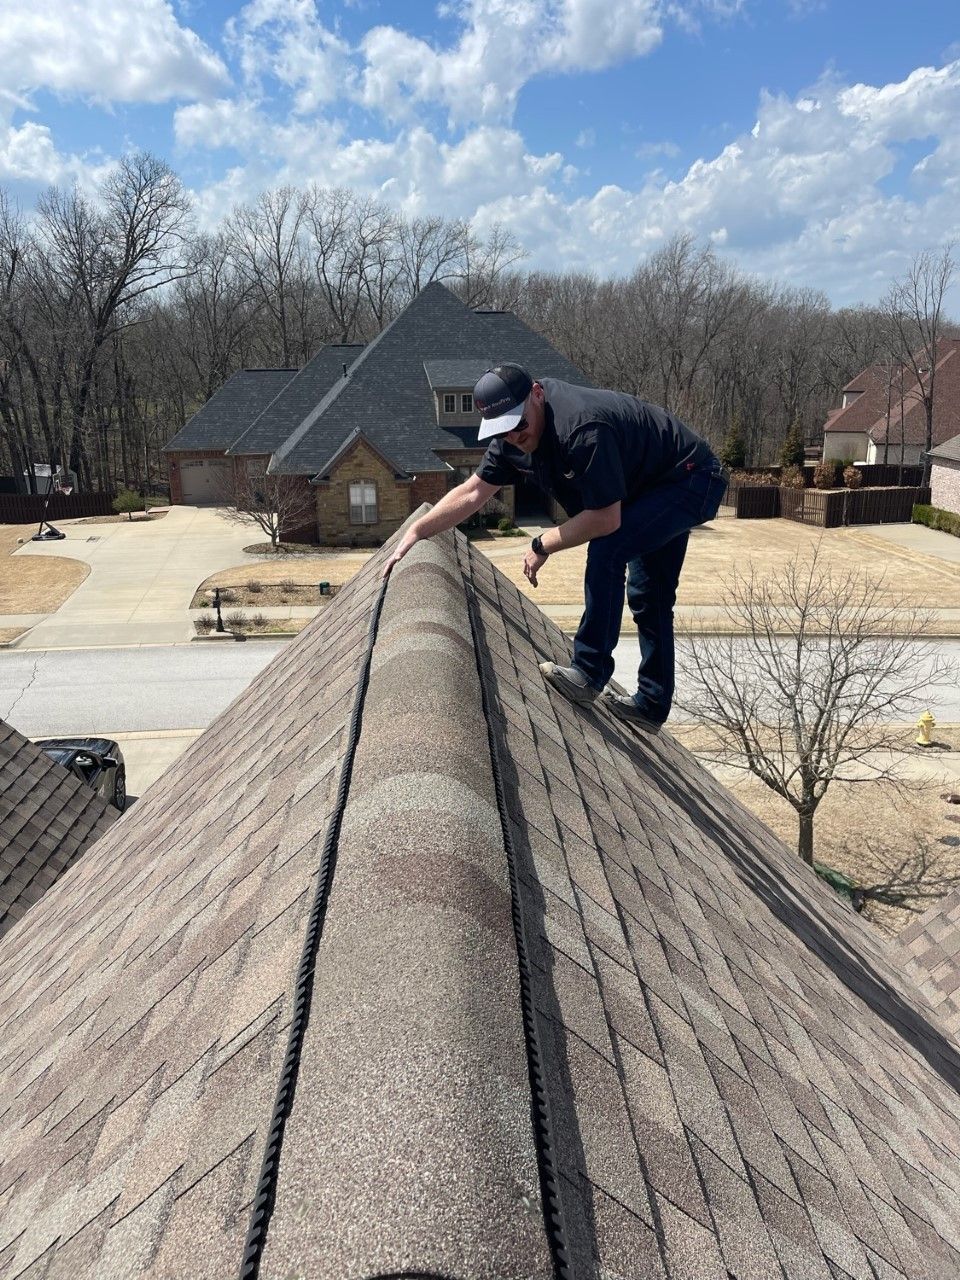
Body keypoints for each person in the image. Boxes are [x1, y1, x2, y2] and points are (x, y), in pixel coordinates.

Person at [383, 364, 727, 732]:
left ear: (537, 393)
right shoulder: (511, 438)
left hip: (691, 478)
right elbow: (472, 492)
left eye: (519, 423)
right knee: (649, 594)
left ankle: (589, 673)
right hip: (647, 487)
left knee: (608, 552)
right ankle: (652, 705)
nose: (515, 435)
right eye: (503, 429)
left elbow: (605, 520)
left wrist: (542, 543)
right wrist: (418, 530)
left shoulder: (581, 429)